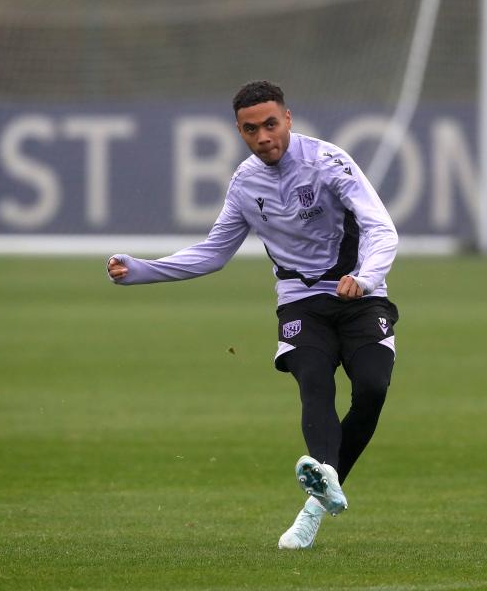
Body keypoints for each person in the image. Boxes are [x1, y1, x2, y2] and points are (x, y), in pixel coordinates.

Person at [106, 80, 399, 550]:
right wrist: (141, 269)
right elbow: (213, 253)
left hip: (359, 294)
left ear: (288, 119)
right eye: (250, 129)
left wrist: (364, 277)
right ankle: (323, 476)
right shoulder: (245, 184)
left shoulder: (329, 162)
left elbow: (380, 227)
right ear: (239, 132)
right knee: (314, 381)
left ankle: (313, 503)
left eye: (270, 124)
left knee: (372, 389)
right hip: (300, 302)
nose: (263, 137)